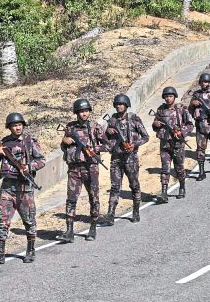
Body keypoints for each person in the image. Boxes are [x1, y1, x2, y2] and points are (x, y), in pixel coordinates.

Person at [0, 112, 45, 265]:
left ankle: (31, 250)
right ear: (10, 127)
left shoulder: (30, 142)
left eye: (20, 125)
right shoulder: (4, 142)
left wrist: (28, 166)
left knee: (29, 220)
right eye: (15, 125)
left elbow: (41, 160)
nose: (18, 127)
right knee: (3, 220)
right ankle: (0, 253)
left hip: (24, 186)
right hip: (7, 186)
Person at [60, 98, 108, 241]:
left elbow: (108, 144)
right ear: (76, 113)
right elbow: (64, 147)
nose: (84, 114)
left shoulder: (95, 127)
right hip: (74, 168)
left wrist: (95, 149)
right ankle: (69, 231)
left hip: (90, 168)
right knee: (71, 199)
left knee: (94, 197)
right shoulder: (70, 128)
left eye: (86, 111)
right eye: (81, 111)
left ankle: (92, 227)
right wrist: (64, 141)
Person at [105, 93, 149, 222]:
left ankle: (135, 211)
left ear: (126, 105)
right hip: (116, 158)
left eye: (121, 104)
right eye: (117, 104)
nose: (119, 106)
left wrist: (134, 145)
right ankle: (111, 214)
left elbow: (146, 137)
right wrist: (108, 132)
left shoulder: (134, 119)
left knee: (134, 185)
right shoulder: (112, 120)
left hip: (131, 159)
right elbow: (104, 139)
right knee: (114, 187)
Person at [151, 86, 193, 201]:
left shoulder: (181, 109)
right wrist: (156, 125)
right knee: (165, 168)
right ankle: (164, 193)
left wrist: (182, 132)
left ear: (174, 96)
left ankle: (182, 187)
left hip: (178, 144)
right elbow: (154, 124)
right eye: (166, 96)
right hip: (165, 144)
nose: (168, 99)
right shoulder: (160, 109)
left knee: (179, 168)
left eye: (170, 96)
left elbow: (190, 125)